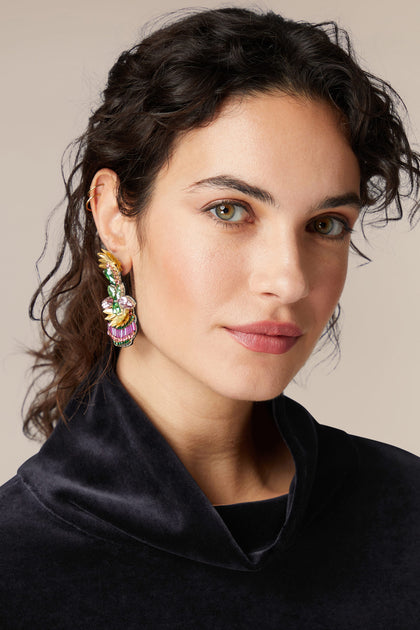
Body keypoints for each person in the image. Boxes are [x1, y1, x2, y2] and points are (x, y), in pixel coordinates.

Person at [0, 6, 419, 628]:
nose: (288, 279)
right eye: (230, 209)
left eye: (325, 225)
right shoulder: (16, 565)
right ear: (116, 215)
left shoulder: (406, 507)